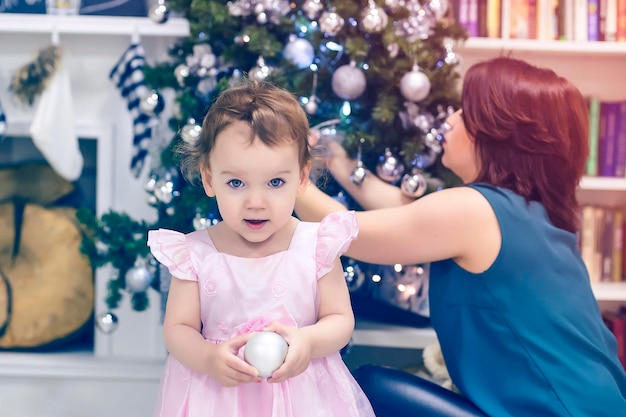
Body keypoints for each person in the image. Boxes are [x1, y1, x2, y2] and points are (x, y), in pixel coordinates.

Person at [295, 56, 626, 416]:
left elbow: (350, 234)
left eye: (465, 113)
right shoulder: (525, 210)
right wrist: (338, 160)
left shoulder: (475, 210)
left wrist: (276, 176)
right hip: (593, 405)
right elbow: (402, 212)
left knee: (372, 387)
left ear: (499, 131)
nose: (450, 120)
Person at [147, 80, 375, 417]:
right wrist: (209, 359)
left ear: (301, 178)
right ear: (210, 179)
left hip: (303, 398)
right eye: (236, 183)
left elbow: (340, 319)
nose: (256, 203)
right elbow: (177, 330)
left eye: (275, 182)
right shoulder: (195, 254)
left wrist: (308, 343)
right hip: (217, 399)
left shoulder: (316, 246)